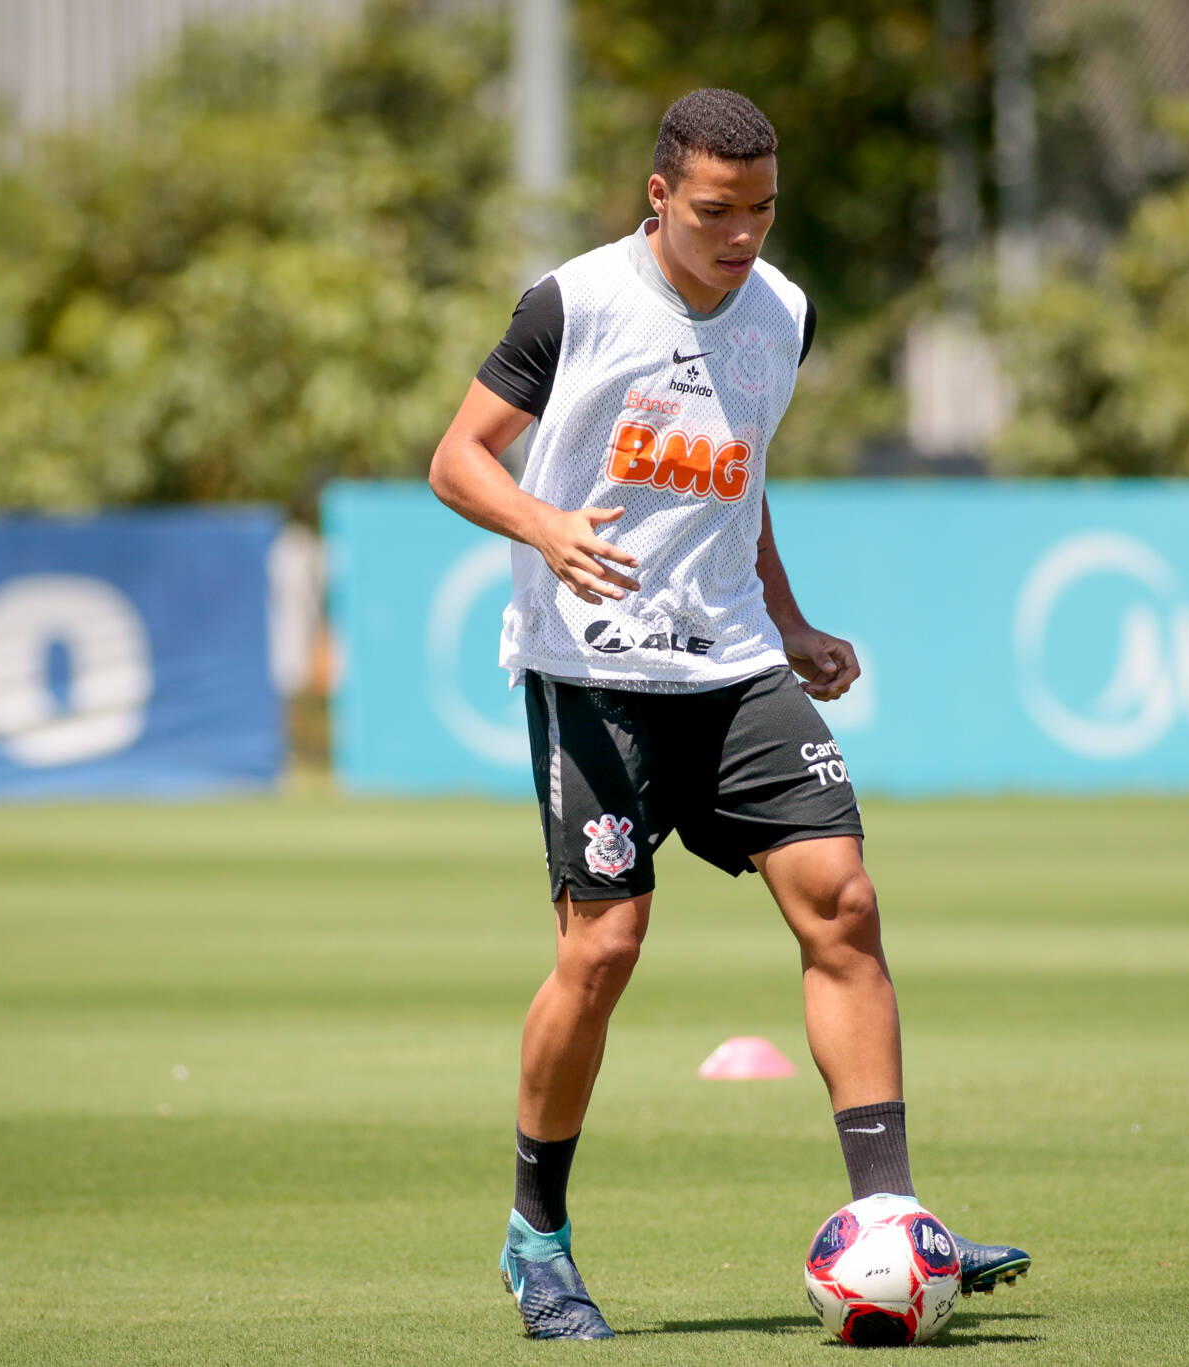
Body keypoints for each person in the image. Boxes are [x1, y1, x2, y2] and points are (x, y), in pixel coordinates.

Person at [428, 87, 1029, 1341]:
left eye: (760, 210)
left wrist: (791, 619)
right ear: (660, 197)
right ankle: (536, 1235)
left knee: (844, 903)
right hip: (588, 667)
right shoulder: (571, 303)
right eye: (714, 212)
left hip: (735, 664)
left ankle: (890, 1222)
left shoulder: (785, 314)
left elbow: (738, 485)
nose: (741, 235)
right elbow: (458, 457)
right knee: (601, 950)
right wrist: (546, 527)